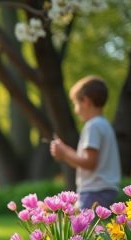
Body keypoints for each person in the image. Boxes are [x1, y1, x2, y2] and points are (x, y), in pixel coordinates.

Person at [50, 75, 121, 208]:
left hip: (94, 191)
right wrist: (65, 154)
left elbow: (89, 163)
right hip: (104, 189)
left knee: (85, 228)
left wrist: (65, 153)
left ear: (86, 102)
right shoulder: (104, 125)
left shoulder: (92, 126)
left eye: (76, 104)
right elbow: (86, 162)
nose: (76, 111)